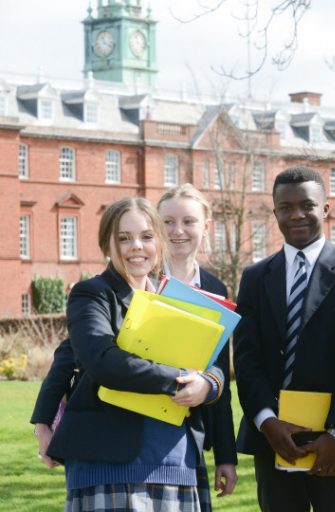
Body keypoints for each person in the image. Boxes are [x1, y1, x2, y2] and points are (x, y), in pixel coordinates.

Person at [31, 185, 238, 507]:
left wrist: (208, 384)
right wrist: (183, 378)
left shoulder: (174, 299)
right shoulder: (92, 294)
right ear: (107, 244)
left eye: (145, 236)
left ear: (159, 242)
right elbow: (99, 361)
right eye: (123, 238)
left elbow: (213, 364)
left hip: (176, 457)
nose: (136, 247)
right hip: (108, 461)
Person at [233, 165, 335, 512]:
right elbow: (248, 359)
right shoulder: (254, 277)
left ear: (325, 209)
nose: (296, 215)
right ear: (275, 211)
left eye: (307, 205)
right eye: (286, 207)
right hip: (275, 438)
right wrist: (267, 422)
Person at [157, 184, 239, 500]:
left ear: (205, 227)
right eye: (168, 221)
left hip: (190, 432)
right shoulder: (137, 278)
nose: (178, 231)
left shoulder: (216, 289)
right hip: (134, 429)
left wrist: (226, 457)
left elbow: (219, 375)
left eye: (188, 221)